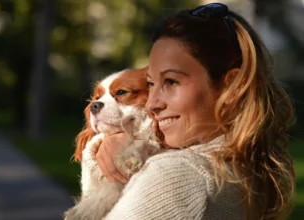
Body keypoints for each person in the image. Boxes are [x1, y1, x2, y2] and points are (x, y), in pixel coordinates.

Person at [86, 3, 296, 220]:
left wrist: (104, 166)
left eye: (171, 81)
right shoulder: (246, 167)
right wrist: (108, 147)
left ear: (232, 87)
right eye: (150, 84)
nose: (152, 104)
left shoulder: (174, 176)